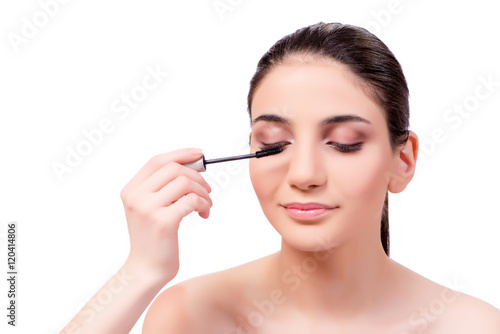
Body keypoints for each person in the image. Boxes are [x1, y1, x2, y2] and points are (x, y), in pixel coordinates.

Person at [61, 22, 500, 333]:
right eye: (273, 144)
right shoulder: (192, 316)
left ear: (402, 161)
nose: (304, 174)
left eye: (345, 142)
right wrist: (140, 272)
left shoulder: (469, 326)